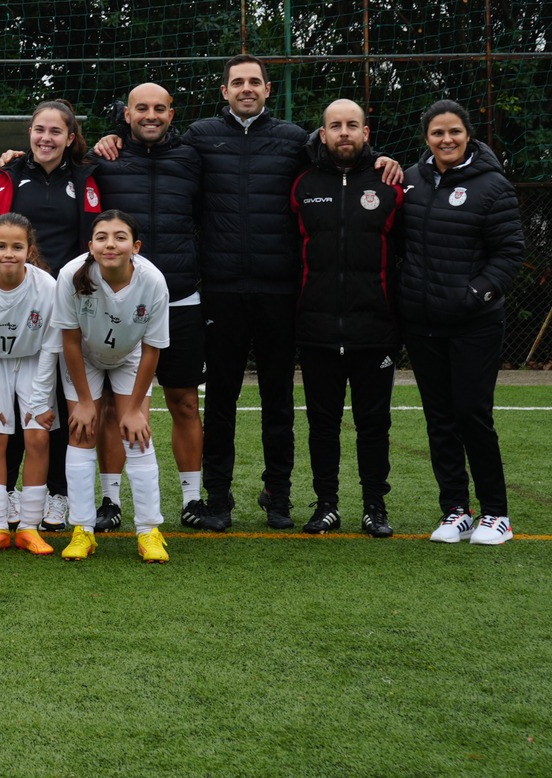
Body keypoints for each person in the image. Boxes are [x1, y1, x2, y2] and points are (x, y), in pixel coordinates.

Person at [95, 56, 397, 531]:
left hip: (279, 290)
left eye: (254, 81)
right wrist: (112, 134)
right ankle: (217, 498)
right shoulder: (199, 138)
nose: (246, 88)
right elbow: (151, 141)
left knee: (278, 399)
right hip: (220, 288)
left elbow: (343, 154)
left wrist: (381, 160)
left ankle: (278, 495)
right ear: (224, 90)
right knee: (220, 400)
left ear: (268, 89)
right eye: (238, 82)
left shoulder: (295, 139)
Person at [399, 99, 525, 546]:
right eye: (437, 133)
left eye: (454, 131)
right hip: (422, 324)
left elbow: (509, 253)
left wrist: (475, 295)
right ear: (426, 138)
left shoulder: (493, 186)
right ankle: (456, 510)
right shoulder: (411, 181)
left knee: (472, 414)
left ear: (468, 134)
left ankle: (497, 514)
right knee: (440, 419)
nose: (446, 140)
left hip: (474, 323)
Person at [0, 99, 108, 530]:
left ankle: (57, 496)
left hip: (67, 303)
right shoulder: (6, 177)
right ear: (29, 134)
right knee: (12, 405)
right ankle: (13, 495)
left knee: (52, 402)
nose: (46, 138)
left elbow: (94, 240)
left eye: (56, 131)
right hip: (15, 303)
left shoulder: (87, 177)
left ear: (70, 137)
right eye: (39, 130)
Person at [90, 83, 209, 531]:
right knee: (111, 407)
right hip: (116, 303)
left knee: (183, 402)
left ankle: (193, 500)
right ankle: (109, 501)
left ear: (171, 114)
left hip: (180, 296)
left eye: (160, 108)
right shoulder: (105, 159)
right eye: (142, 108)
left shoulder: (193, 158)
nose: (151, 115)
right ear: (127, 114)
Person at [291, 98, 403, 539]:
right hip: (317, 330)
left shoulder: (392, 184)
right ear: (321, 134)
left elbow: (406, 254)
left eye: (351, 125)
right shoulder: (301, 183)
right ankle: (327, 505)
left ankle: (375, 506)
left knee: (374, 425)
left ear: (366, 132)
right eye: (334, 126)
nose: (343, 133)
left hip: (375, 330)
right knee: (323, 424)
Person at [52, 211, 172, 563]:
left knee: (137, 433)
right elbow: (70, 342)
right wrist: (86, 402)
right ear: (90, 245)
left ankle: (148, 529)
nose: (110, 244)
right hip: (84, 356)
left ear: (135, 247)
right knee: (81, 431)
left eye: (120, 237)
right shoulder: (71, 275)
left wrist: (134, 409)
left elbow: (152, 348)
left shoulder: (153, 281)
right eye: (101, 237)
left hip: (132, 355)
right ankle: (82, 530)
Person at [0, 213, 60, 556]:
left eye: (17, 246)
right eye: (1, 246)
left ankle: (30, 527)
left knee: (37, 435)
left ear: (29, 250)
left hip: (34, 364)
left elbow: (51, 344)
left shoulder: (46, 286)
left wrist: (42, 396)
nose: (9, 253)